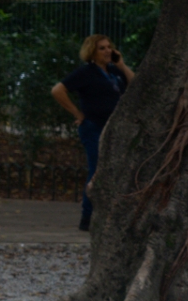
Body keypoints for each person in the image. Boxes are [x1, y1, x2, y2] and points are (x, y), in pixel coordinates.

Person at [52, 34, 135, 232]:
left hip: (114, 128)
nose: (107, 51)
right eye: (102, 48)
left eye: (109, 47)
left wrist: (122, 65)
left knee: (116, 170)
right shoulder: (86, 73)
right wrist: (77, 112)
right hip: (94, 127)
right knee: (96, 170)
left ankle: (109, 214)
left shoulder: (114, 72)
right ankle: (87, 217)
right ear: (92, 52)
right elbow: (57, 90)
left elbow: (136, 84)